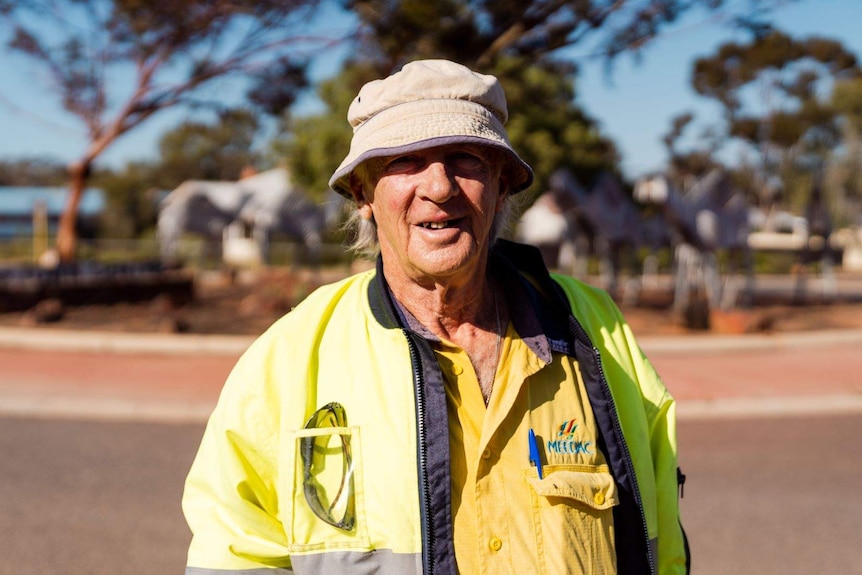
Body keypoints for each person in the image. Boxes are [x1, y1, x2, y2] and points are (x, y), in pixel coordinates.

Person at [183, 59, 690, 575]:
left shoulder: (594, 329)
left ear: (501, 186)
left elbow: (661, 543)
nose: (440, 187)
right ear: (362, 193)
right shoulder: (290, 356)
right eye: (405, 160)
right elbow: (236, 555)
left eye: (465, 157)